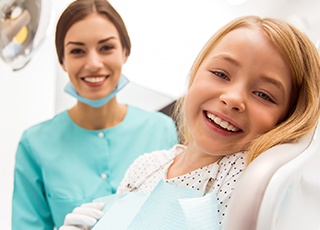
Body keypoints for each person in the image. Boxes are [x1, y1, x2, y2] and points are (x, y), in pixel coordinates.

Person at [59, 15, 320, 230]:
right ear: (196, 73)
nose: (232, 99)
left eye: (263, 95)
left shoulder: (246, 177)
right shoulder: (145, 167)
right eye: (220, 74)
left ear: (288, 118)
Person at [11, 0, 178, 229]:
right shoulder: (35, 144)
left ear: (125, 52)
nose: (93, 63)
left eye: (106, 48)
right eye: (77, 51)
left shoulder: (161, 130)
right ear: (63, 61)